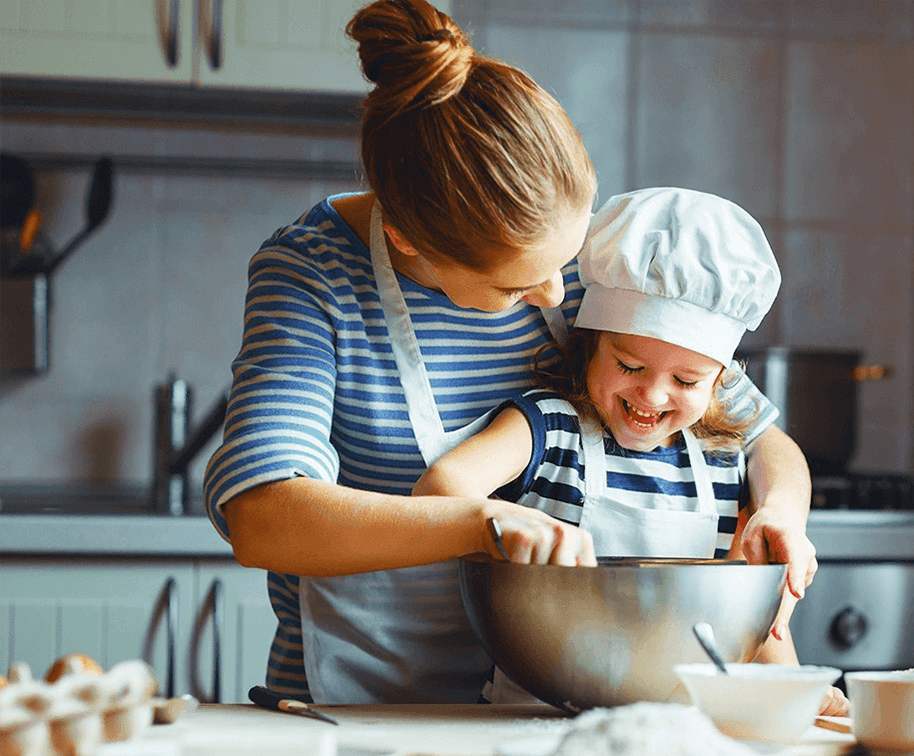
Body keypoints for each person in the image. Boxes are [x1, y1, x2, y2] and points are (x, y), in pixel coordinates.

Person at [203, 0, 818, 707]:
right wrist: (479, 521)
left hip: (550, 713)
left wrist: (780, 513)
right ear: (409, 239)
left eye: (567, 260)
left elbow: (756, 435)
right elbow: (263, 517)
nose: (559, 296)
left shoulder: (593, 264)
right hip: (368, 710)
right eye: (518, 284)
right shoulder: (314, 276)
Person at [414, 188, 849, 716]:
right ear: (589, 346)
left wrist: (795, 694)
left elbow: (757, 621)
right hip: (535, 717)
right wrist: (501, 525)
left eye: (687, 379)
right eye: (629, 366)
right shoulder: (550, 427)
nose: (652, 395)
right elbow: (440, 488)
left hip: (681, 730)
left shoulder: (721, 457)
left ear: (722, 383)